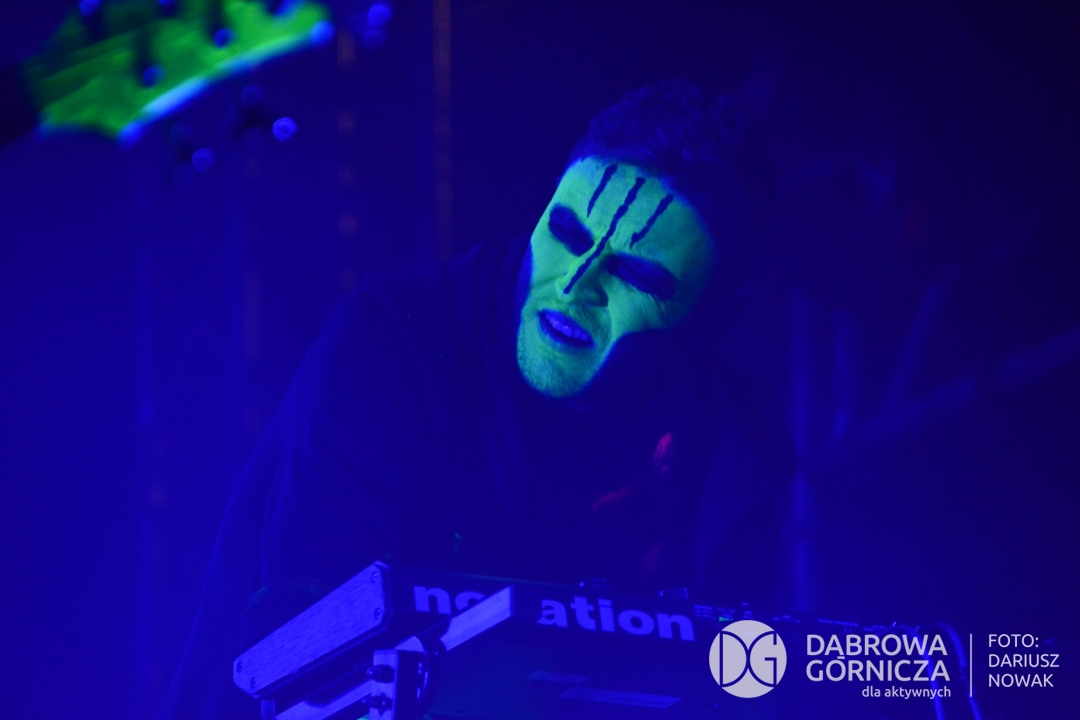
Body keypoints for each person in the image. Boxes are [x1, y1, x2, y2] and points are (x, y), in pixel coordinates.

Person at [159, 78, 793, 719]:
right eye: (567, 232)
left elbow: (740, 688)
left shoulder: (737, 442)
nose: (575, 285)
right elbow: (302, 669)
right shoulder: (394, 343)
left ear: (713, 319)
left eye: (634, 273)